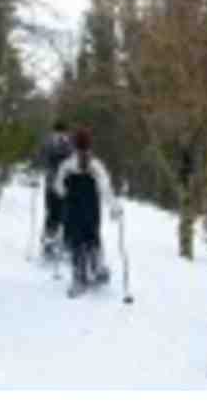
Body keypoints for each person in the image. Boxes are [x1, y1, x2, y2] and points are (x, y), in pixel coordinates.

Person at [54, 127, 123, 298]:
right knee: (92, 237)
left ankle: (79, 278)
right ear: (90, 145)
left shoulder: (66, 165)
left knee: (77, 242)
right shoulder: (96, 165)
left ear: (73, 145)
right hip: (91, 210)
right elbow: (105, 189)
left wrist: (66, 194)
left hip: (72, 211)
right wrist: (115, 208)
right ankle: (97, 268)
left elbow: (59, 188)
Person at [35, 120, 73, 258]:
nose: (61, 135)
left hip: (66, 184)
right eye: (58, 133)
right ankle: (49, 243)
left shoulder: (70, 144)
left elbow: (73, 159)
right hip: (52, 183)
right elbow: (40, 158)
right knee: (53, 213)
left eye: (63, 133)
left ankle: (66, 242)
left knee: (66, 213)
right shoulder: (47, 143)